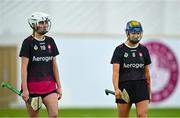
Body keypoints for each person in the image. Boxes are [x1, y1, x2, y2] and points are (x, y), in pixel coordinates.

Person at [19, 12, 62, 117]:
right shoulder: (27, 42)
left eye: (46, 22)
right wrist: (25, 89)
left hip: (49, 87)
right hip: (32, 89)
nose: (45, 25)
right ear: (33, 25)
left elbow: (54, 66)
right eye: (42, 22)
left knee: (54, 115)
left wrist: (59, 86)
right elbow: (24, 68)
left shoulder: (50, 41)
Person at [110, 20, 151, 118]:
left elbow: (147, 72)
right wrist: (116, 88)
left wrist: (149, 90)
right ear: (127, 33)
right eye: (133, 33)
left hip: (141, 86)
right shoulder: (119, 50)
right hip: (124, 88)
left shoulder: (144, 50)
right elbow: (116, 72)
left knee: (142, 115)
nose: (136, 35)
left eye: (138, 33)